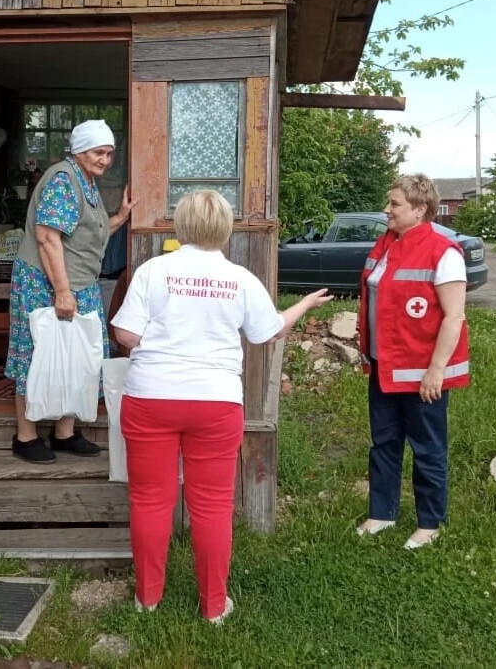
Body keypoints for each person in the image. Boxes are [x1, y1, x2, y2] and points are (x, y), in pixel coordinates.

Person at [111, 191, 331, 623]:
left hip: (151, 398)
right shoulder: (241, 279)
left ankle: (148, 599)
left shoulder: (154, 271)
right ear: (225, 228)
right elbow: (268, 332)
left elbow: (125, 336)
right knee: (212, 504)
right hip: (215, 401)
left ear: (183, 226)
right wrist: (302, 305)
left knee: (150, 500)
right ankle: (214, 606)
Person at [6, 119, 135, 464]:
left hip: (80, 282)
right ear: (79, 151)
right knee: (35, 354)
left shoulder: (86, 182)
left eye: (109, 153)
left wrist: (120, 217)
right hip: (45, 283)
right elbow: (47, 238)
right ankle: (25, 435)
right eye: (98, 152)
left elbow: (84, 232)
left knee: (82, 355)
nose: (105, 159)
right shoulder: (63, 179)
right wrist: (62, 292)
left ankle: (64, 432)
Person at [356, 174, 469, 549]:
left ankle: (429, 523)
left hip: (422, 374)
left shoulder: (443, 251)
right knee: (384, 442)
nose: (386, 210)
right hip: (385, 366)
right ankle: (382, 513)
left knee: (427, 447)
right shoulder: (388, 243)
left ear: (420, 210)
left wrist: (435, 371)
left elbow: (454, 318)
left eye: (395, 204)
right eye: (388, 203)